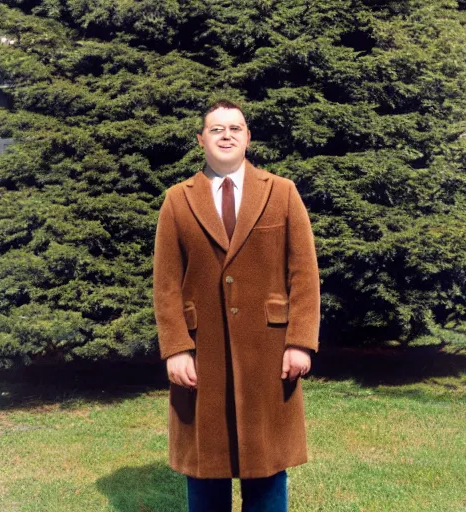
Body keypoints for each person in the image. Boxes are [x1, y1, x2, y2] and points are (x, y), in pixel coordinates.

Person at [153, 99, 320, 511]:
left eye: (235, 128)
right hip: (202, 354)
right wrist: (175, 348)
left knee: (266, 464)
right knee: (205, 464)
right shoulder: (178, 200)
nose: (226, 135)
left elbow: (304, 273)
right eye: (216, 129)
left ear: (248, 137)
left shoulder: (281, 192)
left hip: (269, 350)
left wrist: (300, 341)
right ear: (200, 140)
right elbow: (166, 284)